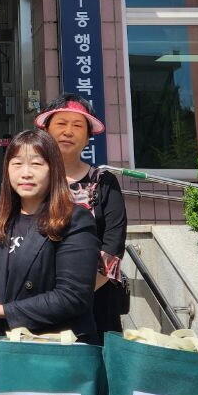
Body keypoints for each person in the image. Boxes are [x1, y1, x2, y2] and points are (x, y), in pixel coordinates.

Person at [0, 129, 99, 340]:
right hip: (4, 345)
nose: (25, 173)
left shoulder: (74, 220)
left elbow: (73, 296)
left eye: (36, 164)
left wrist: (3, 311)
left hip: (54, 346)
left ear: (53, 169)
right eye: (17, 164)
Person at [36, 93, 128, 338]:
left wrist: (76, 294)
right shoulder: (29, 180)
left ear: (88, 137)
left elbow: (113, 243)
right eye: (61, 123)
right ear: (45, 131)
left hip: (94, 297)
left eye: (77, 126)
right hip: (35, 299)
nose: (68, 131)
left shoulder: (104, 182)